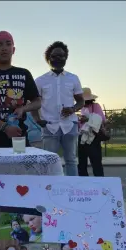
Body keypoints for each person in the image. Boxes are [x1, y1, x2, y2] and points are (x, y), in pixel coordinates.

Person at [0, 31, 41, 148]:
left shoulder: (24, 74)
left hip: (20, 136)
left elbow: (37, 102)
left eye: (8, 44)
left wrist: (23, 109)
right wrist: (5, 127)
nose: (4, 48)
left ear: (13, 49)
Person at [35, 41, 85, 176]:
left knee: (71, 160)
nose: (58, 59)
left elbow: (81, 101)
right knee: (49, 161)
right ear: (48, 58)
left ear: (66, 58)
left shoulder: (73, 78)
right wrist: (38, 119)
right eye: (54, 56)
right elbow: (34, 103)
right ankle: (50, 190)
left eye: (61, 56)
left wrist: (73, 109)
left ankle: (72, 189)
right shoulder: (40, 81)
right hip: (50, 126)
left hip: (69, 125)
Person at [78, 88, 106, 177]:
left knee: (96, 160)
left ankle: (99, 180)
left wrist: (88, 119)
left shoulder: (96, 106)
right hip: (82, 136)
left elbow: (102, 119)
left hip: (93, 136)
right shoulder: (81, 108)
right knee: (82, 161)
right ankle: (83, 180)